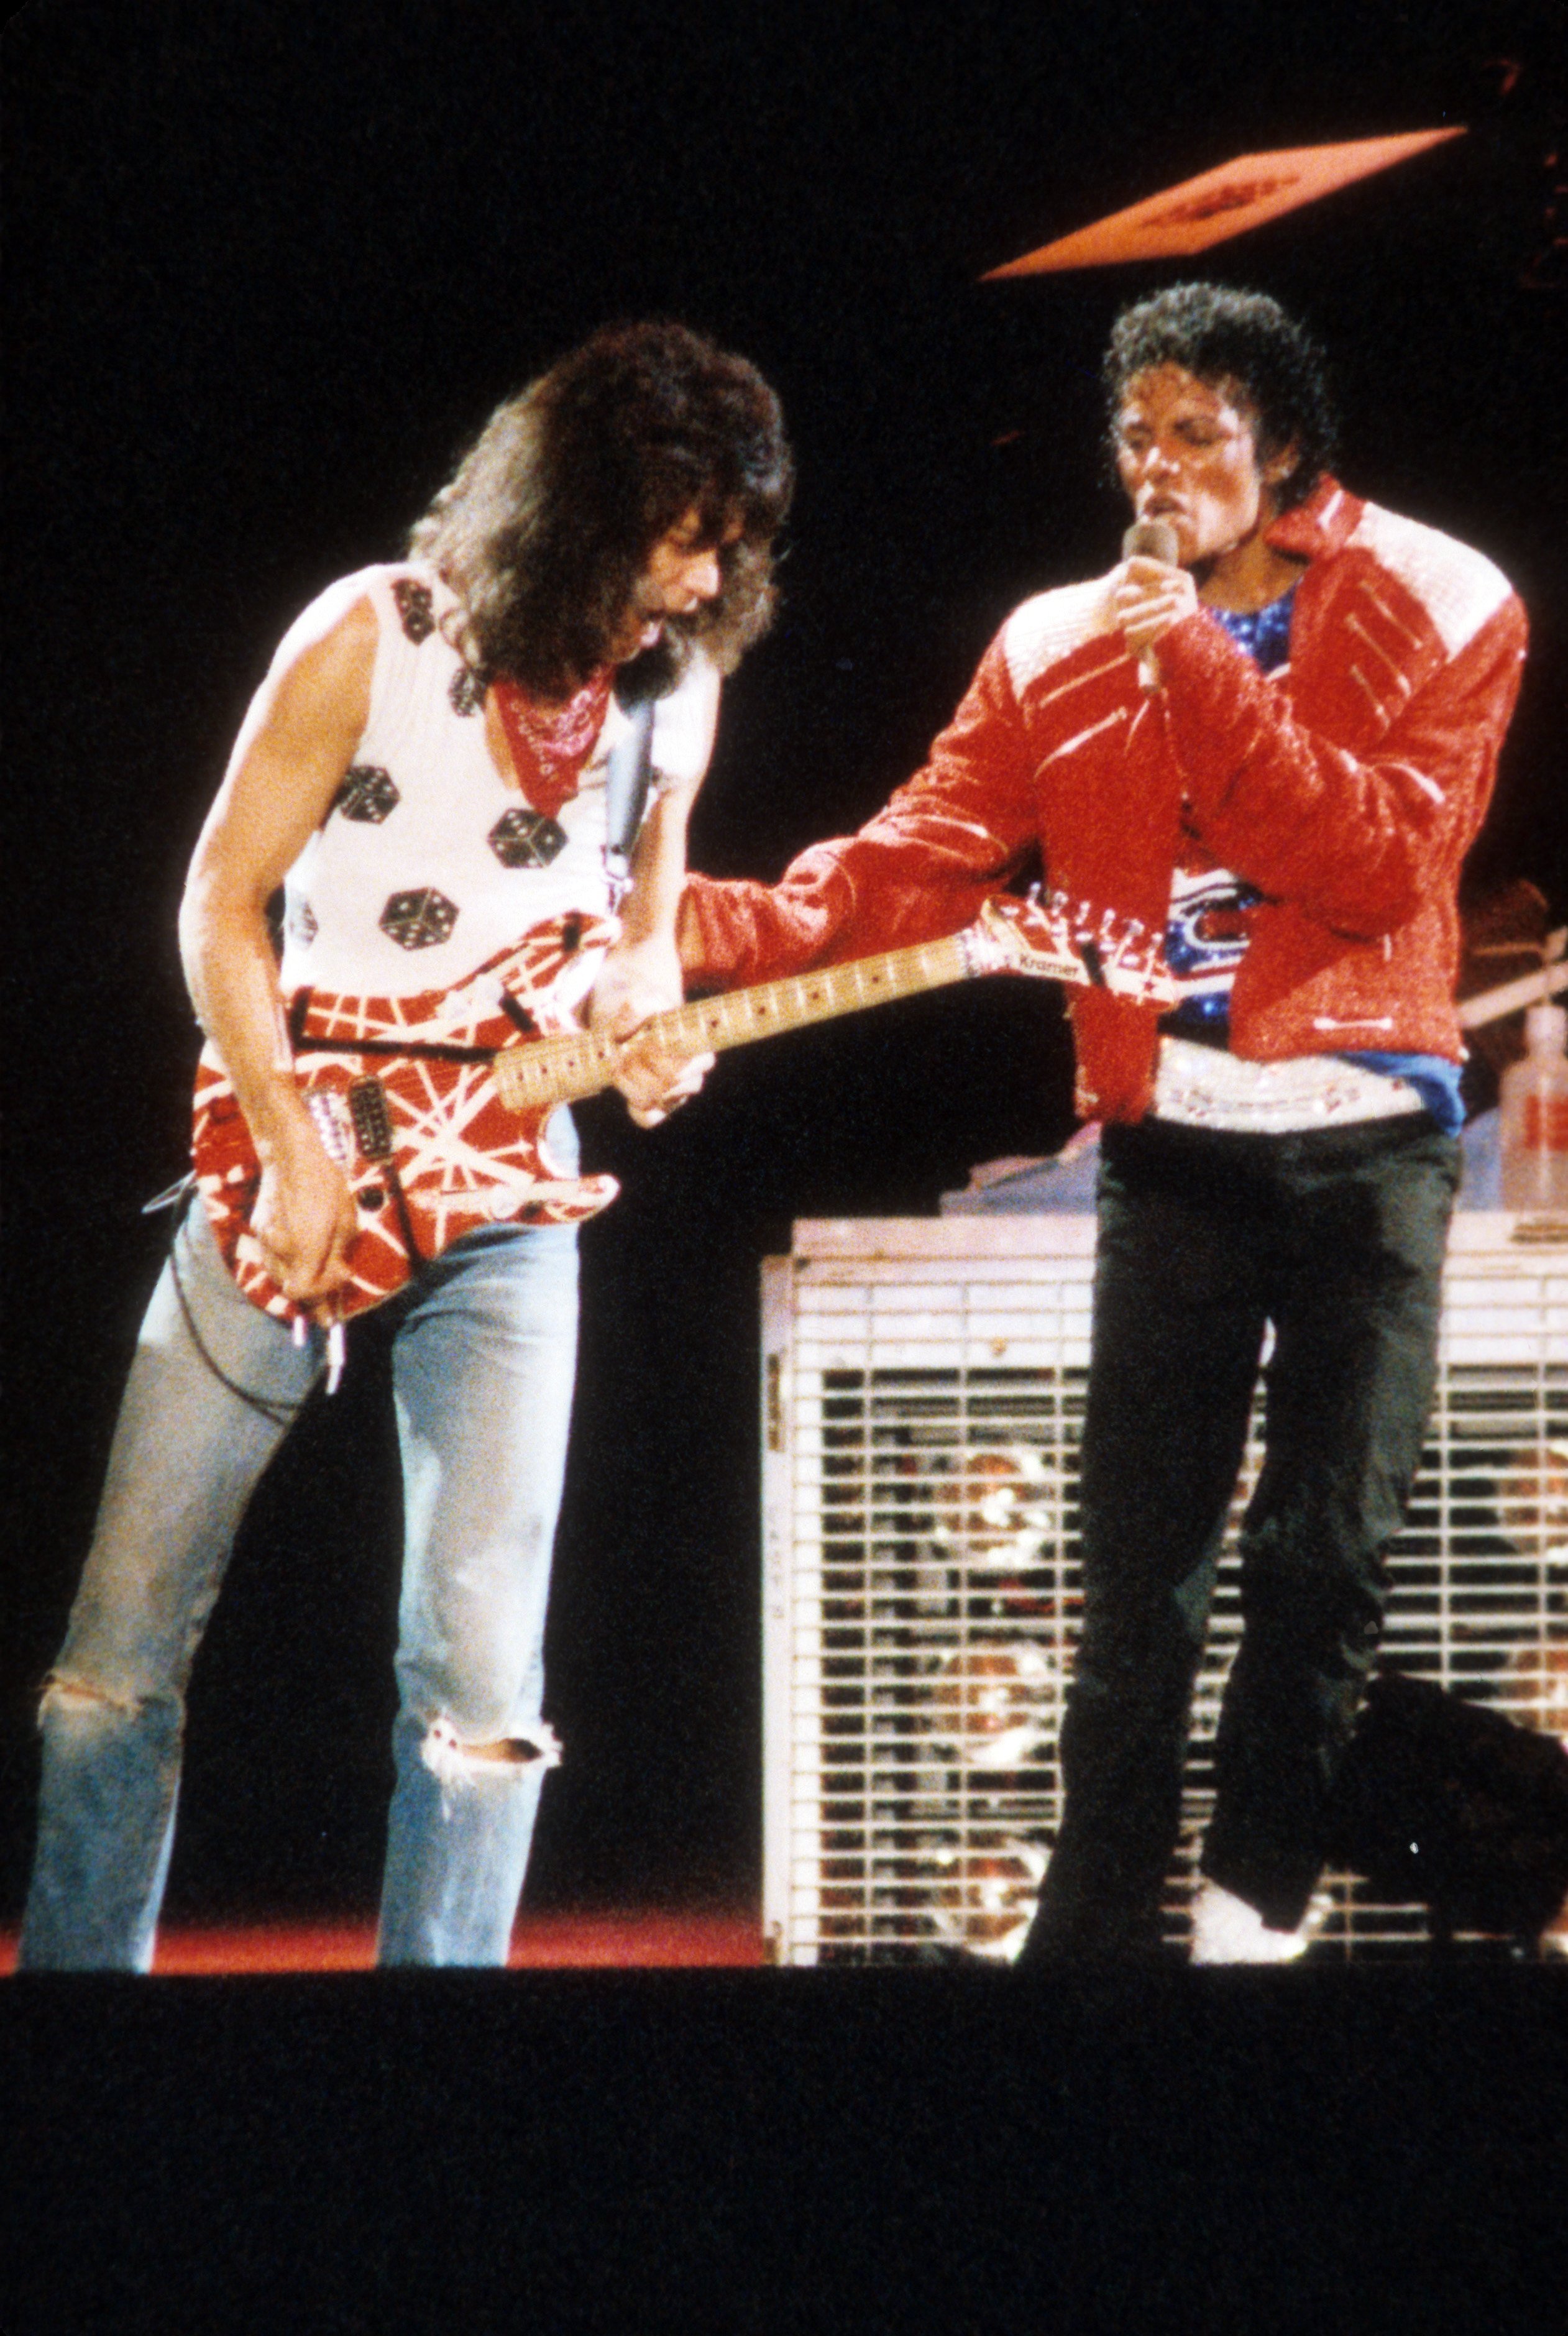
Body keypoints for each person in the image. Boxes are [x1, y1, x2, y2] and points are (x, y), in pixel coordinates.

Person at [679, 284, 1526, 1961]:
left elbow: (1361, 864)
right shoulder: (1058, 638)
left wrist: (1192, 658)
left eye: (1195, 434)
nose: (1153, 468)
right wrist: (681, 935)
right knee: (1135, 1581)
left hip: (1370, 1140)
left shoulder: (1444, 594)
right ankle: (1084, 1939)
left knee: (1322, 1556)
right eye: (1132, 436)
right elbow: (914, 859)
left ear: (1279, 445)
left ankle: (1249, 1911)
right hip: (1172, 1150)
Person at [20, 321, 792, 1970]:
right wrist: (292, 1145)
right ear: (584, 511)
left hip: (510, 1180)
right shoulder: (372, 635)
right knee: (116, 1655)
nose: (698, 580)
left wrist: (653, 1033)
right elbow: (217, 902)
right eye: (678, 537)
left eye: (727, 547)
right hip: (303, 1140)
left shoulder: (679, 696)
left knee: (483, 1688)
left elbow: (637, 941)